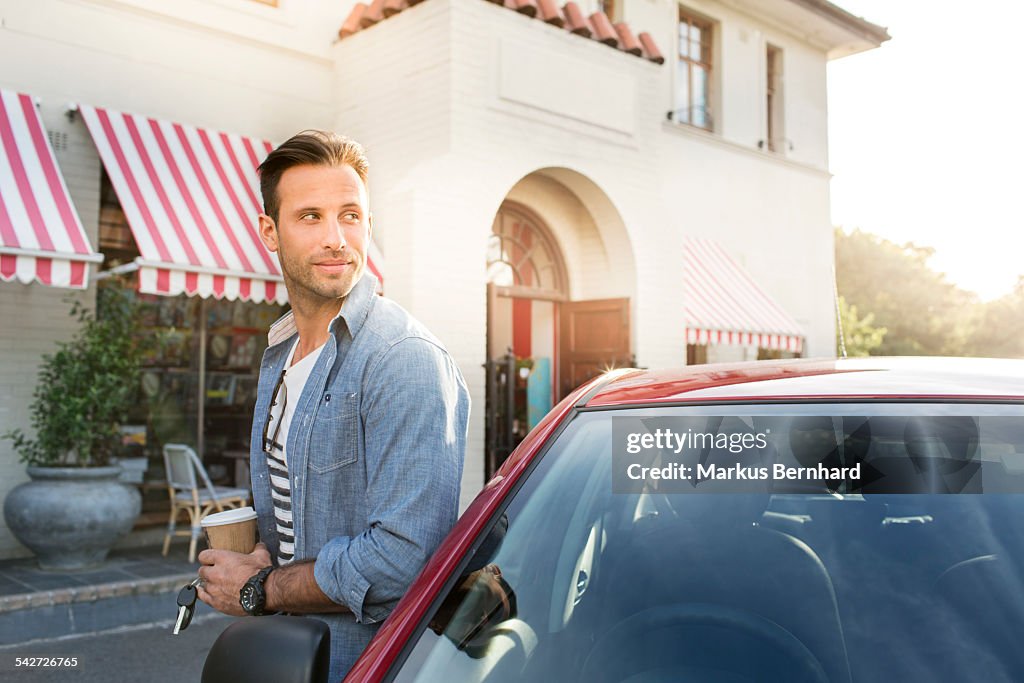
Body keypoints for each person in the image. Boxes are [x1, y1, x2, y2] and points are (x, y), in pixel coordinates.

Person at [196, 130, 470, 680]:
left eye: (350, 215)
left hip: (362, 664)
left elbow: (403, 559)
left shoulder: (402, 359)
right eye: (311, 217)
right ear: (269, 232)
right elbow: (299, 525)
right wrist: (256, 563)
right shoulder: (280, 354)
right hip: (287, 655)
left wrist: (260, 589)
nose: (336, 238)